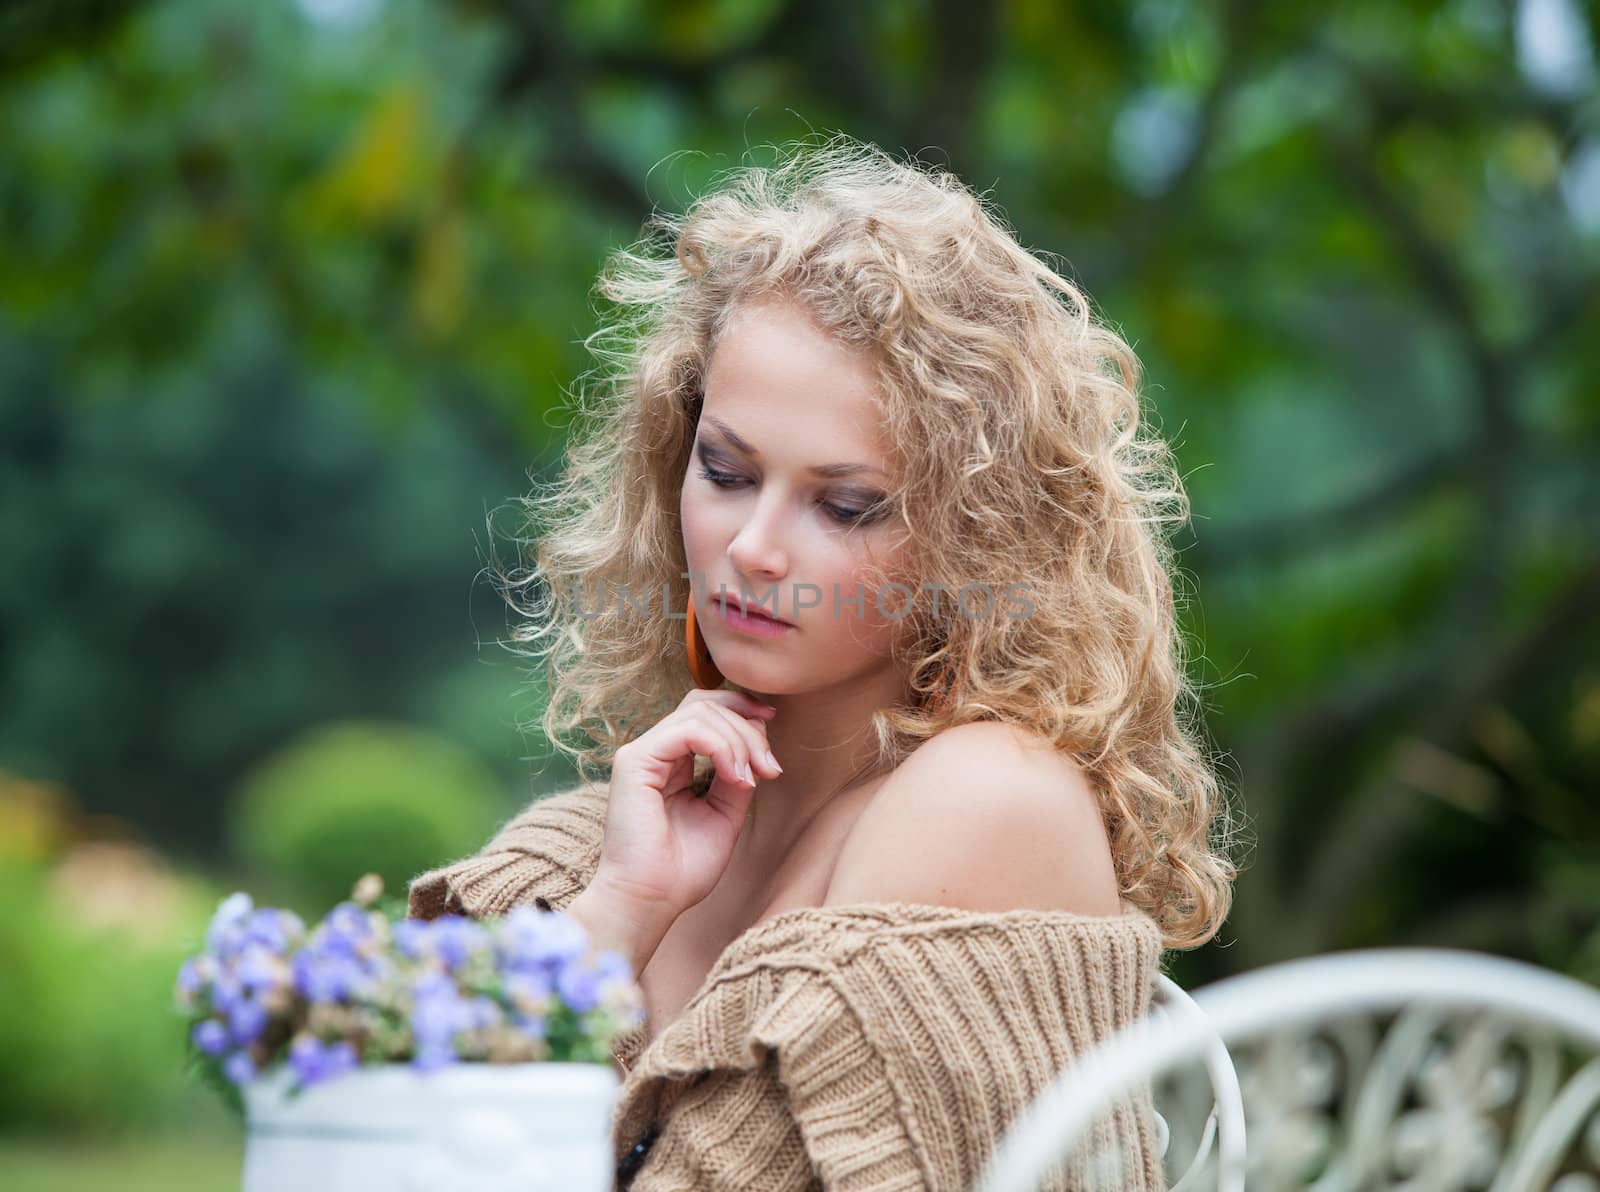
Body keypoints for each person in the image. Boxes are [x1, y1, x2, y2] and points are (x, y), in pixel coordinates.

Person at [408, 133, 1237, 1191]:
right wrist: (619, 906)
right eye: (724, 469)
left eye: (844, 505)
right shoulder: (615, 829)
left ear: (973, 538)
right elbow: (373, 1139)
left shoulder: (985, 800)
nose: (754, 548)